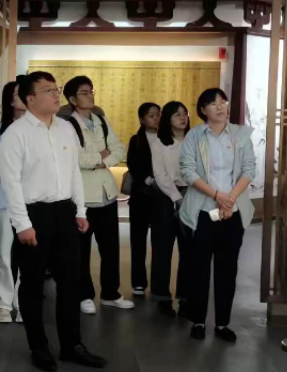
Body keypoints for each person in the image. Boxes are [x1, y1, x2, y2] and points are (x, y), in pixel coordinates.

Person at [0, 71, 107, 372]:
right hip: (33, 215)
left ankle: (72, 345)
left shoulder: (66, 129)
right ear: (30, 98)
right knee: (32, 284)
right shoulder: (15, 134)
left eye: (56, 89)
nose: (56, 94)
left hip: (64, 212)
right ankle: (39, 346)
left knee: (71, 281)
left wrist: (80, 211)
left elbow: (73, 172)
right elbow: (11, 183)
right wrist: (22, 224)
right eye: (48, 90)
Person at [179, 88, 255, 343]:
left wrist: (229, 199)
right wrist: (217, 195)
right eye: (213, 104)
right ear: (203, 110)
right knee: (199, 268)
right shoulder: (195, 135)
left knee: (227, 269)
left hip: (232, 211)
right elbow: (188, 171)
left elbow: (249, 169)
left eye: (223, 102)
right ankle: (198, 321)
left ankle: (222, 324)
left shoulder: (241, 135)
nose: (220, 107)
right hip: (203, 211)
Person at [62, 76, 128, 313]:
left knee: (110, 248)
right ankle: (84, 295)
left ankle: (111, 293)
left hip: (106, 193)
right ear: (72, 99)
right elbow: (77, 159)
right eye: (84, 92)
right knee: (81, 249)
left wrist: (101, 160)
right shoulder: (68, 125)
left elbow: (119, 148)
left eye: (91, 91)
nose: (90, 96)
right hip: (83, 196)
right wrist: (103, 156)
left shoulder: (101, 120)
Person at [0, 79, 26, 323]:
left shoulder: (37, 128)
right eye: (19, 94)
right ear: (10, 100)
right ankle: (2, 304)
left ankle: (23, 304)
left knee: (27, 255)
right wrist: (24, 168)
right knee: (3, 253)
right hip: (3, 199)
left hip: (30, 201)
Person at [150, 102, 191, 314]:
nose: (183, 118)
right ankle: (162, 297)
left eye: (185, 114)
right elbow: (161, 175)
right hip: (165, 198)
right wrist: (177, 197)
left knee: (189, 249)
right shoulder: (159, 143)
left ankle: (186, 297)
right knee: (162, 249)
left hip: (192, 195)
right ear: (167, 119)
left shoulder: (195, 140)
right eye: (177, 115)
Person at [126, 102, 161, 298]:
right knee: (138, 241)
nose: (156, 118)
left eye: (158, 114)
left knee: (159, 242)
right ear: (142, 119)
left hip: (161, 198)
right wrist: (149, 180)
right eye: (151, 115)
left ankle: (158, 284)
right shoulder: (136, 140)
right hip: (141, 196)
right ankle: (138, 282)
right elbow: (133, 165)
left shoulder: (167, 138)